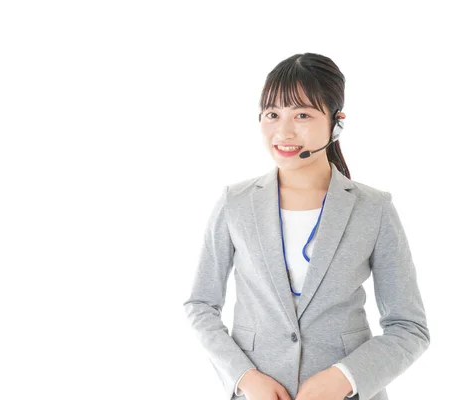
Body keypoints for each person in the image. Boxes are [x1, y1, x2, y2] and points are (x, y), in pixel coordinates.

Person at [182, 53, 430, 400]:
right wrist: (245, 377)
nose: (283, 131)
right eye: (272, 114)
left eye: (302, 114)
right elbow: (200, 305)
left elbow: (409, 327)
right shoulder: (235, 202)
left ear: (336, 122)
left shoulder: (374, 208)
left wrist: (344, 378)